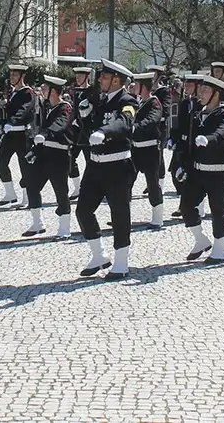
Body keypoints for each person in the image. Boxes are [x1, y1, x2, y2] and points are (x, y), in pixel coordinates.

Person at [74, 59, 137, 281]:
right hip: (95, 165)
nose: (100, 80)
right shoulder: (99, 100)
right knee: (83, 210)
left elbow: (125, 121)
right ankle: (99, 255)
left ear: (116, 80)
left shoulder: (127, 100)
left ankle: (121, 261)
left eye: (104, 77)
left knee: (119, 214)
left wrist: (105, 131)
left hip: (118, 166)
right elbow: (87, 131)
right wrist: (84, 116)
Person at [180, 74, 224, 263]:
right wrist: (182, 164)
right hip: (197, 170)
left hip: (218, 171)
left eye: (206, 90)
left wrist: (209, 139)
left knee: (218, 210)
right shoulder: (198, 112)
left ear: (216, 94)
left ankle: (219, 249)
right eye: (201, 89)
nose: (201, 93)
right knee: (186, 206)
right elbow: (187, 141)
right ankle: (201, 240)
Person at [21, 75, 75, 238]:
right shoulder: (47, 107)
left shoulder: (65, 108)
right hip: (44, 153)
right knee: (31, 185)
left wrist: (45, 134)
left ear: (53, 91)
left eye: (45, 88)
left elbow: (59, 124)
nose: (42, 91)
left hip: (59, 155)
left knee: (60, 191)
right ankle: (38, 223)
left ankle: (64, 228)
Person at [0, 64, 36, 207]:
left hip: (22, 133)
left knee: (24, 165)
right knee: (1, 162)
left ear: (22, 77)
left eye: (15, 75)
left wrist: (12, 121)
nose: (12, 77)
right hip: (10, 133)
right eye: (11, 75)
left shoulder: (28, 92)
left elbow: (24, 110)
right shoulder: (13, 93)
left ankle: (27, 197)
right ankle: (10, 193)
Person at [129, 71, 166, 229]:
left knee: (152, 183)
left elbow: (152, 120)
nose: (134, 87)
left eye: (137, 84)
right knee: (127, 182)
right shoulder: (137, 102)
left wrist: (134, 127)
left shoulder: (154, 102)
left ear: (144, 86)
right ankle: (124, 216)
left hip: (150, 149)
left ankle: (157, 218)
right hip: (135, 149)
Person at [168, 72, 202, 217]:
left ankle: (190, 206)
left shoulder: (201, 104)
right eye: (186, 84)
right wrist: (172, 138)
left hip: (194, 145)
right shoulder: (185, 103)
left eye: (190, 84)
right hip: (182, 143)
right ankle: (185, 202)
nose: (186, 87)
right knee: (176, 171)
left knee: (193, 176)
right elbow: (179, 123)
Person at [66, 65, 96, 199]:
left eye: (80, 76)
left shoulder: (93, 91)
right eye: (76, 76)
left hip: (88, 133)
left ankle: (94, 189)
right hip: (76, 132)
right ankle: (77, 187)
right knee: (70, 159)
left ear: (87, 77)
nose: (77, 78)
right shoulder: (76, 91)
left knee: (91, 163)